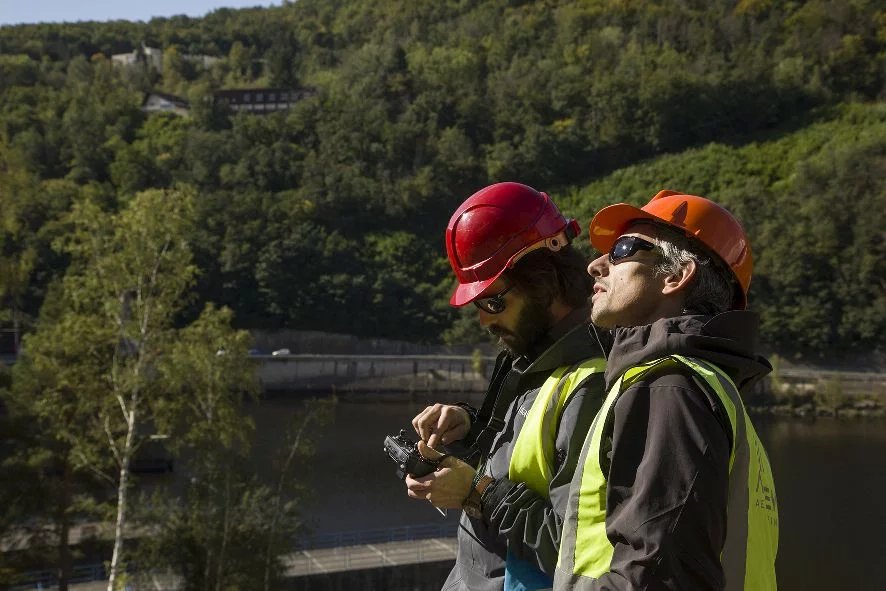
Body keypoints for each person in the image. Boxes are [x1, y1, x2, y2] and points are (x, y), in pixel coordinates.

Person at [554, 190, 778, 590]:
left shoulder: (668, 386)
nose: (595, 265)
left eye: (622, 249)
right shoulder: (704, 385)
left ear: (676, 275)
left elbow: (655, 576)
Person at [405, 182, 609, 591]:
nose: (484, 320)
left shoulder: (591, 385)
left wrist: (476, 492)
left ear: (543, 282)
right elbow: (523, 465)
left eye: (493, 302)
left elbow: (575, 552)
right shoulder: (532, 358)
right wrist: (470, 427)